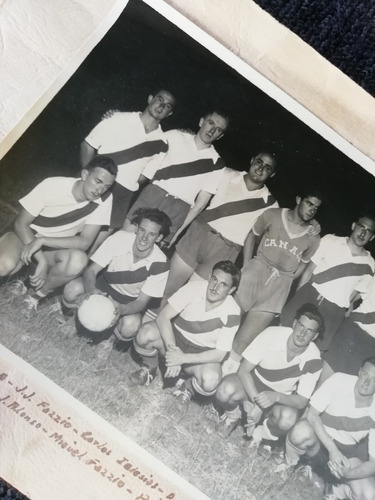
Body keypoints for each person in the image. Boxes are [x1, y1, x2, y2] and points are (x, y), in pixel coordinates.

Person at [0, 156, 117, 316]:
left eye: (106, 186)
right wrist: (40, 258)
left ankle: (34, 297)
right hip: (23, 237)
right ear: (84, 175)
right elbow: (21, 223)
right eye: (97, 181)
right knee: (4, 264)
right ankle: (19, 278)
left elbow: (84, 242)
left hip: (51, 248)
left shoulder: (104, 199)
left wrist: (43, 241)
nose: (100, 190)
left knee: (78, 260)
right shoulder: (53, 185)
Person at [223, 190, 322, 373]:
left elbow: (304, 263)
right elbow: (251, 236)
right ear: (298, 198)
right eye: (309, 203)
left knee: (244, 340)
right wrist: (246, 266)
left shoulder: (313, 237)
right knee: (225, 323)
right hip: (254, 272)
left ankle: (223, 377)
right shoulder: (273, 215)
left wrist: (289, 278)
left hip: (278, 286)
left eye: (316, 208)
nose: (312, 210)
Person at [161, 151, 278, 303]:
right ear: (252, 160)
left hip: (225, 250)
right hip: (198, 235)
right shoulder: (227, 174)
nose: (261, 168)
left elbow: (258, 236)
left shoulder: (270, 203)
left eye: (268, 168)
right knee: (166, 290)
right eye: (259, 162)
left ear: (272, 174)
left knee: (193, 301)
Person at [62, 208, 171, 359]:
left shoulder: (161, 264)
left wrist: (121, 309)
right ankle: (76, 319)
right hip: (103, 287)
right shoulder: (120, 238)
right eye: (142, 230)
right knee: (72, 289)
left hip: (128, 300)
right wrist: (91, 291)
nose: (144, 237)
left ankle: (108, 340)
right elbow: (91, 271)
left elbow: (141, 302)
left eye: (151, 234)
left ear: (159, 238)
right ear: (137, 228)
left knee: (131, 326)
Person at [128, 261, 241, 405]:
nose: (215, 287)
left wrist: (182, 358)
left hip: (200, 353)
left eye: (223, 285)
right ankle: (150, 368)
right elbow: (163, 317)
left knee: (211, 380)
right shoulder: (193, 288)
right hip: (175, 338)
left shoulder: (233, 311)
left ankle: (187, 388)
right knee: (145, 334)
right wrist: (172, 350)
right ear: (209, 277)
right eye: (214, 279)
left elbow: (219, 354)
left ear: (231, 290)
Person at [208, 304, 323, 442]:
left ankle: (260, 434)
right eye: (301, 326)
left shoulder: (314, 359)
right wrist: (258, 404)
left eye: (309, 331)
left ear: (315, 336)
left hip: (278, 399)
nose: (302, 334)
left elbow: (302, 401)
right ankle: (233, 416)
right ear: (294, 324)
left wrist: (275, 397)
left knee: (288, 419)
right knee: (224, 390)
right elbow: (244, 370)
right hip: (252, 385)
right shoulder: (272, 334)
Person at [124, 110, 229, 244]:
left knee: (149, 255)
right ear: (201, 122)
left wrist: (177, 232)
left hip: (178, 209)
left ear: (220, 135)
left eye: (218, 130)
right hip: (153, 195)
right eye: (210, 123)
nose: (212, 130)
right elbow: (144, 146)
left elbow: (200, 205)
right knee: (124, 238)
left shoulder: (217, 163)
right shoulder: (175, 136)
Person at [81, 89, 175, 234]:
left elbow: (143, 177)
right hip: (96, 182)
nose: (162, 106)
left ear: (169, 114)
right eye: (160, 99)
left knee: (95, 245)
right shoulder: (118, 118)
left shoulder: (162, 144)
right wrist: (88, 178)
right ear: (150, 98)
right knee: (72, 227)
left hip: (122, 194)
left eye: (168, 106)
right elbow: (88, 146)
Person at [281, 214, 375, 353]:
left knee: (313, 351)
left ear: (372, 237)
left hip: (332, 312)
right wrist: (299, 296)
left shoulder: (370, 264)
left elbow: (354, 295)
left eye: (369, 231)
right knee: (283, 333)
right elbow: (308, 272)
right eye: (361, 227)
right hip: (309, 295)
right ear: (354, 226)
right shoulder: (330, 240)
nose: (363, 233)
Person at [284, 358, 375, 500]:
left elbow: (373, 463)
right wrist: (333, 449)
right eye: (365, 374)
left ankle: (334, 490)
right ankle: (289, 466)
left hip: (345, 456)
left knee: (369, 495)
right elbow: (312, 414)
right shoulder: (339, 380)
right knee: (300, 432)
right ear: (359, 372)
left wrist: (347, 474)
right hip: (319, 440)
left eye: (374, 380)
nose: (367, 383)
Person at [323, 274, 375, 377]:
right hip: (354, 331)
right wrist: (349, 311)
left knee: (350, 387)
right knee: (326, 380)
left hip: (371, 345)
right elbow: (357, 293)